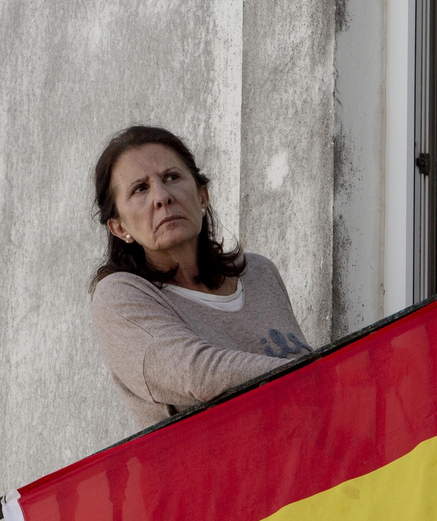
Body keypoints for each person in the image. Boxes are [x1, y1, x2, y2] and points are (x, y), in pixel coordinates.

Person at [89, 126, 313, 428]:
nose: (162, 197)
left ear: (202, 195)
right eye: (140, 189)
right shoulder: (119, 295)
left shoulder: (259, 274)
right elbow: (195, 373)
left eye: (172, 178)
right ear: (118, 227)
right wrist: (322, 375)